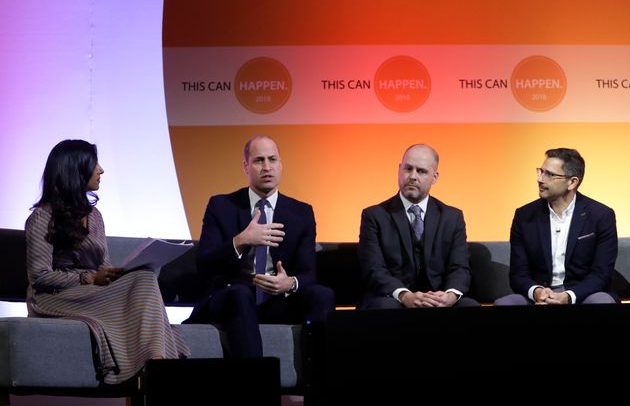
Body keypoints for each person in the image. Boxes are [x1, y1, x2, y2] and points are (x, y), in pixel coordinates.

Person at [25, 139, 190, 385]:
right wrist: (87, 277)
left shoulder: (95, 217)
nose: (101, 170)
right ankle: (158, 369)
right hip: (56, 296)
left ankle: (155, 364)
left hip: (91, 292)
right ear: (76, 169)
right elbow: (39, 276)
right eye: (95, 164)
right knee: (143, 283)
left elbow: (104, 265)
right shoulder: (42, 216)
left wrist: (118, 274)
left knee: (144, 276)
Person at [184, 135, 335, 358]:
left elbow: (308, 273)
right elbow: (205, 263)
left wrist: (289, 283)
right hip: (232, 298)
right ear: (246, 166)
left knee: (322, 294)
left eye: (272, 159)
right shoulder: (221, 205)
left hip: (278, 300)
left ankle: (317, 385)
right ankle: (257, 386)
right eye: (258, 160)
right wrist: (241, 240)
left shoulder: (301, 212)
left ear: (281, 164)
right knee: (240, 294)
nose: (267, 167)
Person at [357, 143, 479, 309]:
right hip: (393, 298)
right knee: (386, 308)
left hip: (438, 298)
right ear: (399, 169)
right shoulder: (375, 216)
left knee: (469, 307)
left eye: (421, 171)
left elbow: (460, 268)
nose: (412, 176)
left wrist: (449, 296)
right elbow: (374, 269)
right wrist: (404, 295)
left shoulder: (452, 217)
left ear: (435, 177)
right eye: (408, 169)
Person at [494, 148, 618, 306]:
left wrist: (567, 296)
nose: (540, 179)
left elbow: (601, 274)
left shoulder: (600, 215)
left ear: (572, 182)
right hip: (540, 296)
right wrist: (537, 292)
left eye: (550, 174)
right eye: (541, 171)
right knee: (504, 304)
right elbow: (518, 274)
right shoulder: (524, 216)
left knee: (602, 302)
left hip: (582, 295)